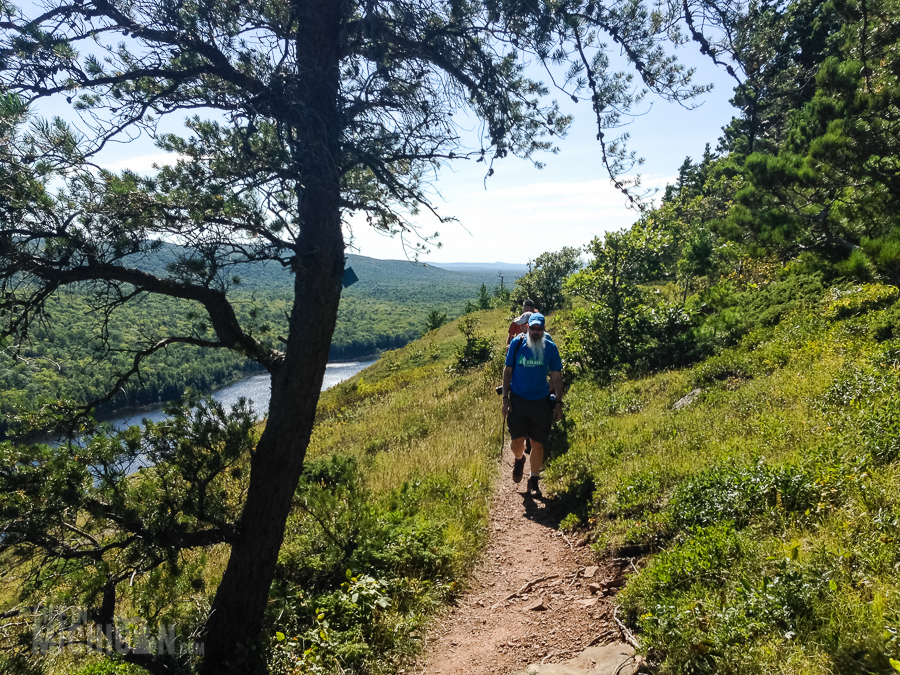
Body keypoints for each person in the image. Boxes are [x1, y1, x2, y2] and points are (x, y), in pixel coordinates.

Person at [500, 313, 563, 497]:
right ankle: (519, 459)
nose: (536, 332)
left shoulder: (550, 348)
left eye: (539, 329)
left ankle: (534, 480)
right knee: (516, 442)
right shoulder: (517, 344)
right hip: (518, 399)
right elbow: (508, 371)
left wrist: (558, 402)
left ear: (543, 330)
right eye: (533, 328)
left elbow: (557, 376)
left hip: (540, 401)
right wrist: (505, 398)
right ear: (527, 328)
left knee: (538, 443)